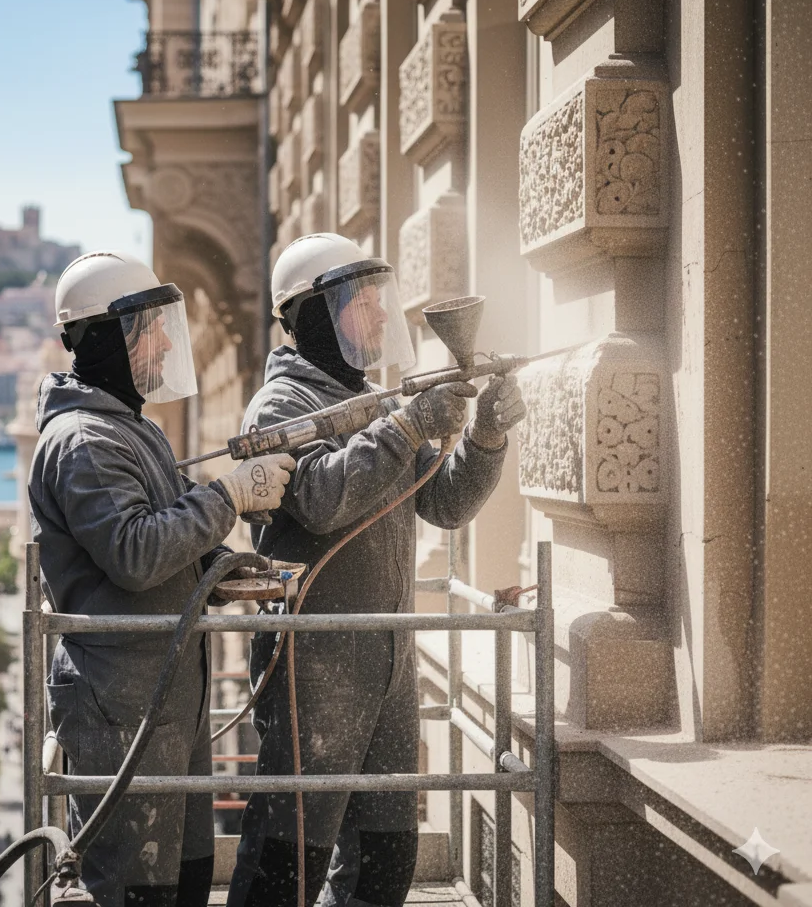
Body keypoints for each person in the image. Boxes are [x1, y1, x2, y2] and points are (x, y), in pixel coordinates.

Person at [226, 234, 526, 907]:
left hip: (387, 663)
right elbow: (322, 499)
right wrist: (407, 426)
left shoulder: (376, 401)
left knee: (386, 861)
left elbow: (446, 504)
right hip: (314, 666)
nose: (383, 317)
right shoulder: (281, 408)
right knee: (287, 867)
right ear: (313, 316)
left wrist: (486, 439)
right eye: (363, 304)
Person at [29, 251, 295, 907]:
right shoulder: (85, 441)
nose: (167, 341)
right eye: (151, 328)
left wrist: (230, 571)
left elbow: (175, 538)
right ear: (107, 338)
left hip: (164, 697)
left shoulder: (129, 428)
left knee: (188, 883)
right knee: (137, 893)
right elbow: (136, 553)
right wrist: (230, 496)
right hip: (121, 706)